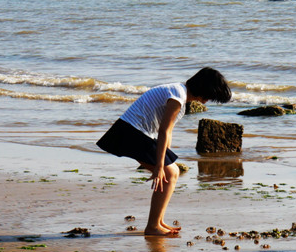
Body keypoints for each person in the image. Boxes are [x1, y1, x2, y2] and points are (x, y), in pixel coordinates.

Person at [97, 67, 232, 236]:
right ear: (204, 90)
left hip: (135, 132)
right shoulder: (178, 96)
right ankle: (153, 226)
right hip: (130, 131)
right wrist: (160, 165)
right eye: (211, 95)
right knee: (169, 173)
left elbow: (168, 132)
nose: (209, 100)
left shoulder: (180, 96)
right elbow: (164, 131)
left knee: (171, 172)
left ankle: (158, 221)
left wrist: (165, 159)